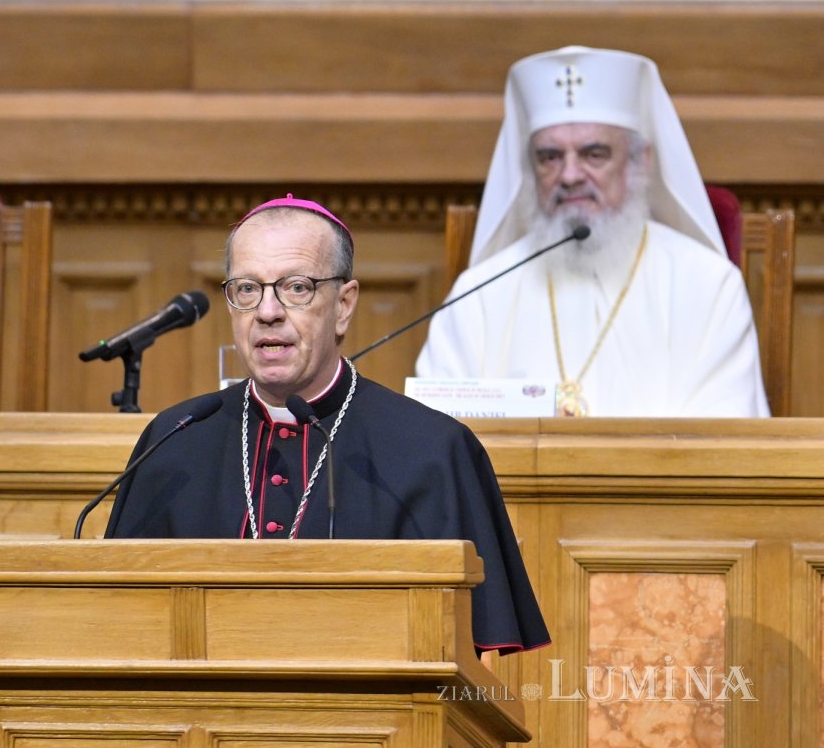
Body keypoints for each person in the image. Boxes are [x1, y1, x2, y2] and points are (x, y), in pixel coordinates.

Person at [106, 195, 550, 655]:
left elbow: (461, 666)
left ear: (343, 305)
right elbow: (122, 630)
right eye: (247, 289)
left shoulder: (433, 450)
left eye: (296, 287)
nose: (267, 311)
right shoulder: (175, 441)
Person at [416, 46, 769, 418]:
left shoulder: (709, 286)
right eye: (550, 157)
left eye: (594, 154)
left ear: (640, 161)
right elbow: (433, 438)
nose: (569, 176)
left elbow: (726, 443)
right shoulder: (481, 294)